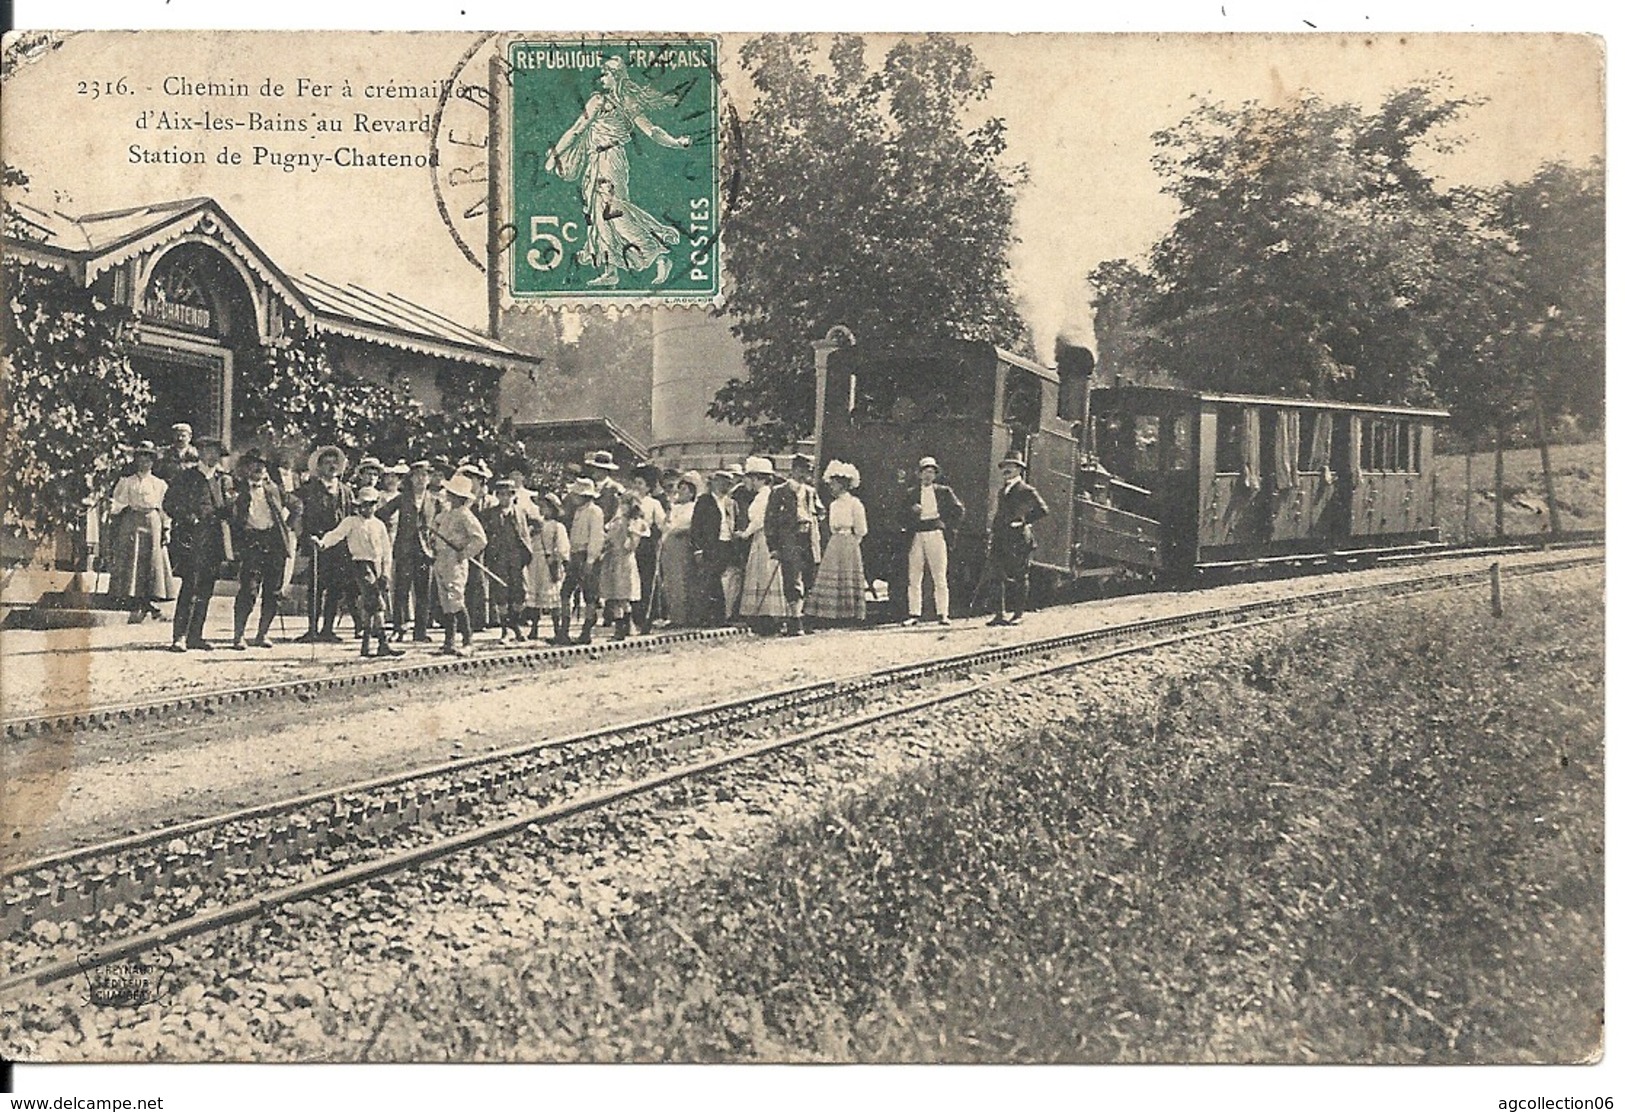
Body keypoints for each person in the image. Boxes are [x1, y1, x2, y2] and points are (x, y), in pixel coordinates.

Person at [545, 55, 691, 288]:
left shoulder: (625, 102)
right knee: (598, 216)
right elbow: (576, 129)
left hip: (611, 160)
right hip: (596, 160)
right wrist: (556, 154)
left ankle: (658, 254)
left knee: (615, 211)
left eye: (605, 74)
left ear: (616, 77)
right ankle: (610, 269)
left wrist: (675, 142)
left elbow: (651, 130)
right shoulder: (597, 101)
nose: (601, 79)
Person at [164, 438, 232, 651]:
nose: (214, 456)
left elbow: (227, 509)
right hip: (192, 539)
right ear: (201, 452)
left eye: (217, 453)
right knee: (190, 586)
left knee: (206, 588)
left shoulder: (222, 480)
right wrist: (188, 517)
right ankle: (180, 636)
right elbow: (169, 503)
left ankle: (196, 636)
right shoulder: (187, 476)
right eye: (210, 451)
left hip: (214, 540)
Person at [318, 486, 400, 658]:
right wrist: (322, 543)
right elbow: (336, 535)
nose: (367, 508)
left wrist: (386, 573)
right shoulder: (351, 521)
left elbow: (386, 551)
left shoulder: (379, 525)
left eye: (371, 505)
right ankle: (383, 642)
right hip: (361, 564)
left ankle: (367, 645)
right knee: (376, 601)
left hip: (377, 565)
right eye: (363, 505)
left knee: (371, 605)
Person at [229, 452, 292, 650]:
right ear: (246, 468)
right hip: (251, 542)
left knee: (273, 592)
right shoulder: (238, 489)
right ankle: (238, 635)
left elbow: (296, 505)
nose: (259, 468)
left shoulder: (274, 489)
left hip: (273, 542)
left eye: (262, 465)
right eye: (254, 465)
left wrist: (287, 525)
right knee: (248, 590)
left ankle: (262, 633)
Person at [106, 441, 174, 618]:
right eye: (141, 460)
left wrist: (166, 528)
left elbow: (165, 509)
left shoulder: (159, 484)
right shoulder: (127, 482)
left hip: (152, 521)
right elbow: (118, 503)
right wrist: (113, 508)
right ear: (136, 461)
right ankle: (129, 597)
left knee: (151, 557)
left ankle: (149, 599)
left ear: (153, 462)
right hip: (132, 520)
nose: (144, 463)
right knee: (132, 555)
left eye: (148, 460)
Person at [293, 445, 354, 643]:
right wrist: (306, 536)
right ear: (319, 467)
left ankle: (328, 629)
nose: (331, 466)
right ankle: (312, 629)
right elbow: (297, 512)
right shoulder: (309, 490)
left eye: (334, 463)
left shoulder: (346, 491)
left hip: (340, 545)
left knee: (335, 588)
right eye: (326, 463)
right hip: (317, 543)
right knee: (315, 588)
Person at [986, 454, 1050, 627]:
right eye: (1004, 466)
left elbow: (1043, 509)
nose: (1006, 470)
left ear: (1019, 469)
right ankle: (999, 614)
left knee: (1020, 576)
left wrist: (1023, 521)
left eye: (1011, 466)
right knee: (996, 575)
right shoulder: (1002, 491)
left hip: (1018, 539)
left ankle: (1018, 614)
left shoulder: (1026, 489)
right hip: (1000, 537)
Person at [901, 455, 964, 626]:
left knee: (939, 575)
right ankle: (914, 613)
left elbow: (958, 510)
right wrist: (912, 511)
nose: (928, 475)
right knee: (914, 576)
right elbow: (900, 515)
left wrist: (947, 526)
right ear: (919, 474)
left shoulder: (944, 491)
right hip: (917, 534)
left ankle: (943, 613)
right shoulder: (911, 493)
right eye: (925, 472)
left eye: (931, 472)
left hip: (935, 533)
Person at [429, 473, 487, 657]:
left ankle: (468, 641)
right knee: (445, 601)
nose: (448, 495)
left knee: (456, 599)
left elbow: (480, 539)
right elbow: (435, 527)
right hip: (441, 560)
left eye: (452, 493)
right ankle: (449, 642)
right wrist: (433, 539)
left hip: (455, 561)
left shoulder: (465, 515)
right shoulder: (446, 513)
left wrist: (465, 553)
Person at [765, 454, 821, 636]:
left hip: (808, 538)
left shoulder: (810, 492)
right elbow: (769, 521)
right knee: (792, 578)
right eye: (804, 470)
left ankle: (803, 618)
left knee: (809, 578)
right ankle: (794, 620)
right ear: (795, 469)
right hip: (789, 539)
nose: (806, 474)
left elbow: (820, 512)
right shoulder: (779, 492)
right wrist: (773, 546)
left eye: (809, 471)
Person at [806, 460, 868, 625]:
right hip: (835, 542)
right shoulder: (833, 505)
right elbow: (833, 527)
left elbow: (861, 529)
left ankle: (849, 614)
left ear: (842, 484)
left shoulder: (855, 503)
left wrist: (853, 542)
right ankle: (830, 613)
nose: (831, 487)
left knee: (847, 575)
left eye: (834, 484)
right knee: (832, 575)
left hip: (849, 542)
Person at [482, 478, 538, 642]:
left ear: (513, 495)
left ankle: (516, 625)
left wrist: (528, 539)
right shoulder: (490, 513)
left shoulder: (521, 512)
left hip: (517, 558)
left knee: (519, 593)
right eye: (501, 495)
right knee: (501, 594)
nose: (505, 498)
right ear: (497, 496)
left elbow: (538, 523)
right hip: (499, 558)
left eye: (508, 494)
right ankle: (505, 630)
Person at [391, 461, 438, 642]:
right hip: (405, 551)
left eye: (425, 475)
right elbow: (381, 513)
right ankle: (398, 629)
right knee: (401, 591)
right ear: (410, 478)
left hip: (426, 553)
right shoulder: (402, 498)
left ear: (429, 478)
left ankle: (420, 631)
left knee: (423, 593)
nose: (421, 479)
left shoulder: (435, 500)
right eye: (417, 475)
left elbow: (442, 523)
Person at [737, 456, 787, 629]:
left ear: (758, 478)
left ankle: (768, 614)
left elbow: (760, 520)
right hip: (760, 539)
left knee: (764, 572)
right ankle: (763, 613)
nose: (747, 482)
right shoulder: (761, 495)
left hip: (763, 538)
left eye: (749, 478)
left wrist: (745, 534)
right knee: (760, 573)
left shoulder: (764, 496)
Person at [690, 468, 737, 628]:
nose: (727, 486)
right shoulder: (704, 501)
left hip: (727, 545)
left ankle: (718, 616)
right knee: (711, 580)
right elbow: (696, 527)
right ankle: (711, 617)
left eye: (729, 483)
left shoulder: (731, 503)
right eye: (724, 482)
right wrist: (698, 549)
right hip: (711, 546)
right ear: (715, 483)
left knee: (720, 580)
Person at [561, 476, 606, 644]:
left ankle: (586, 631)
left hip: (586, 555)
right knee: (565, 592)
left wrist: (590, 560)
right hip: (575, 554)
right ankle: (563, 631)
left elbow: (596, 537)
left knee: (589, 594)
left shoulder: (594, 512)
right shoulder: (578, 511)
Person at [601, 488, 649, 640]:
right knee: (614, 596)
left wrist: (629, 533)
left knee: (623, 596)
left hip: (624, 561)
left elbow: (631, 546)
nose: (621, 507)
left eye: (624, 504)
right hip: (613, 559)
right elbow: (608, 538)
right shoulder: (616, 521)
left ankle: (624, 628)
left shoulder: (636, 523)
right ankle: (621, 627)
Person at [525, 492, 572, 644]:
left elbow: (563, 547)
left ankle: (557, 628)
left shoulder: (558, 527)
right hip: (535, 562)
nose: (541, 509)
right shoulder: (536, 525)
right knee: (536, 595)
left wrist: (555, 558)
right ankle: (534, 627)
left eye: (545, 507)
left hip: (549, 562)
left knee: (553, 596)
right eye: (540, 506)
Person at [656, 470, 701, 627]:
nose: (679, 492)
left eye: (684, 489)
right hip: (668, 545)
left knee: (680, 580)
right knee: (668, 581)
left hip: (681, 545)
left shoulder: (693, 507)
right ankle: (673, 615)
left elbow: (688, 525)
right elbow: (665, 524)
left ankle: (682, 617)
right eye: (679, 488)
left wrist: (674, 529)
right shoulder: (673, 507)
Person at [629, 463, 667, 633]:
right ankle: (631, 618)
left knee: (646, 581)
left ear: (648, 487)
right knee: (631, 580)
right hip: (630, 543)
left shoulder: (653, 503)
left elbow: (663, 523)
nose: (636, 487)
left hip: (646, 545)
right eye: (635, 482)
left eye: (640, 484)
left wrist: (659, 536)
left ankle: (646, 619)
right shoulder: (628, 501)